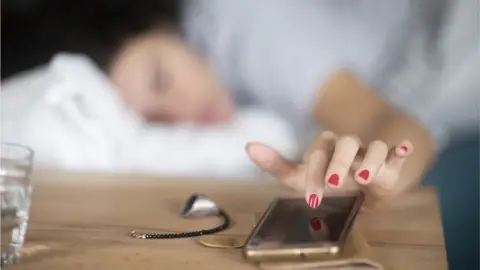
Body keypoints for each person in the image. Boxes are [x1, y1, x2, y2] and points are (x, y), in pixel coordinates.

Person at [106, 0, 479, 212]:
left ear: (164, 23)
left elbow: (401, 126)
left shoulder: (237, 19)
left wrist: (374, 171)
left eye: (161, 80)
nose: (179, 112)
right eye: (154, 118)